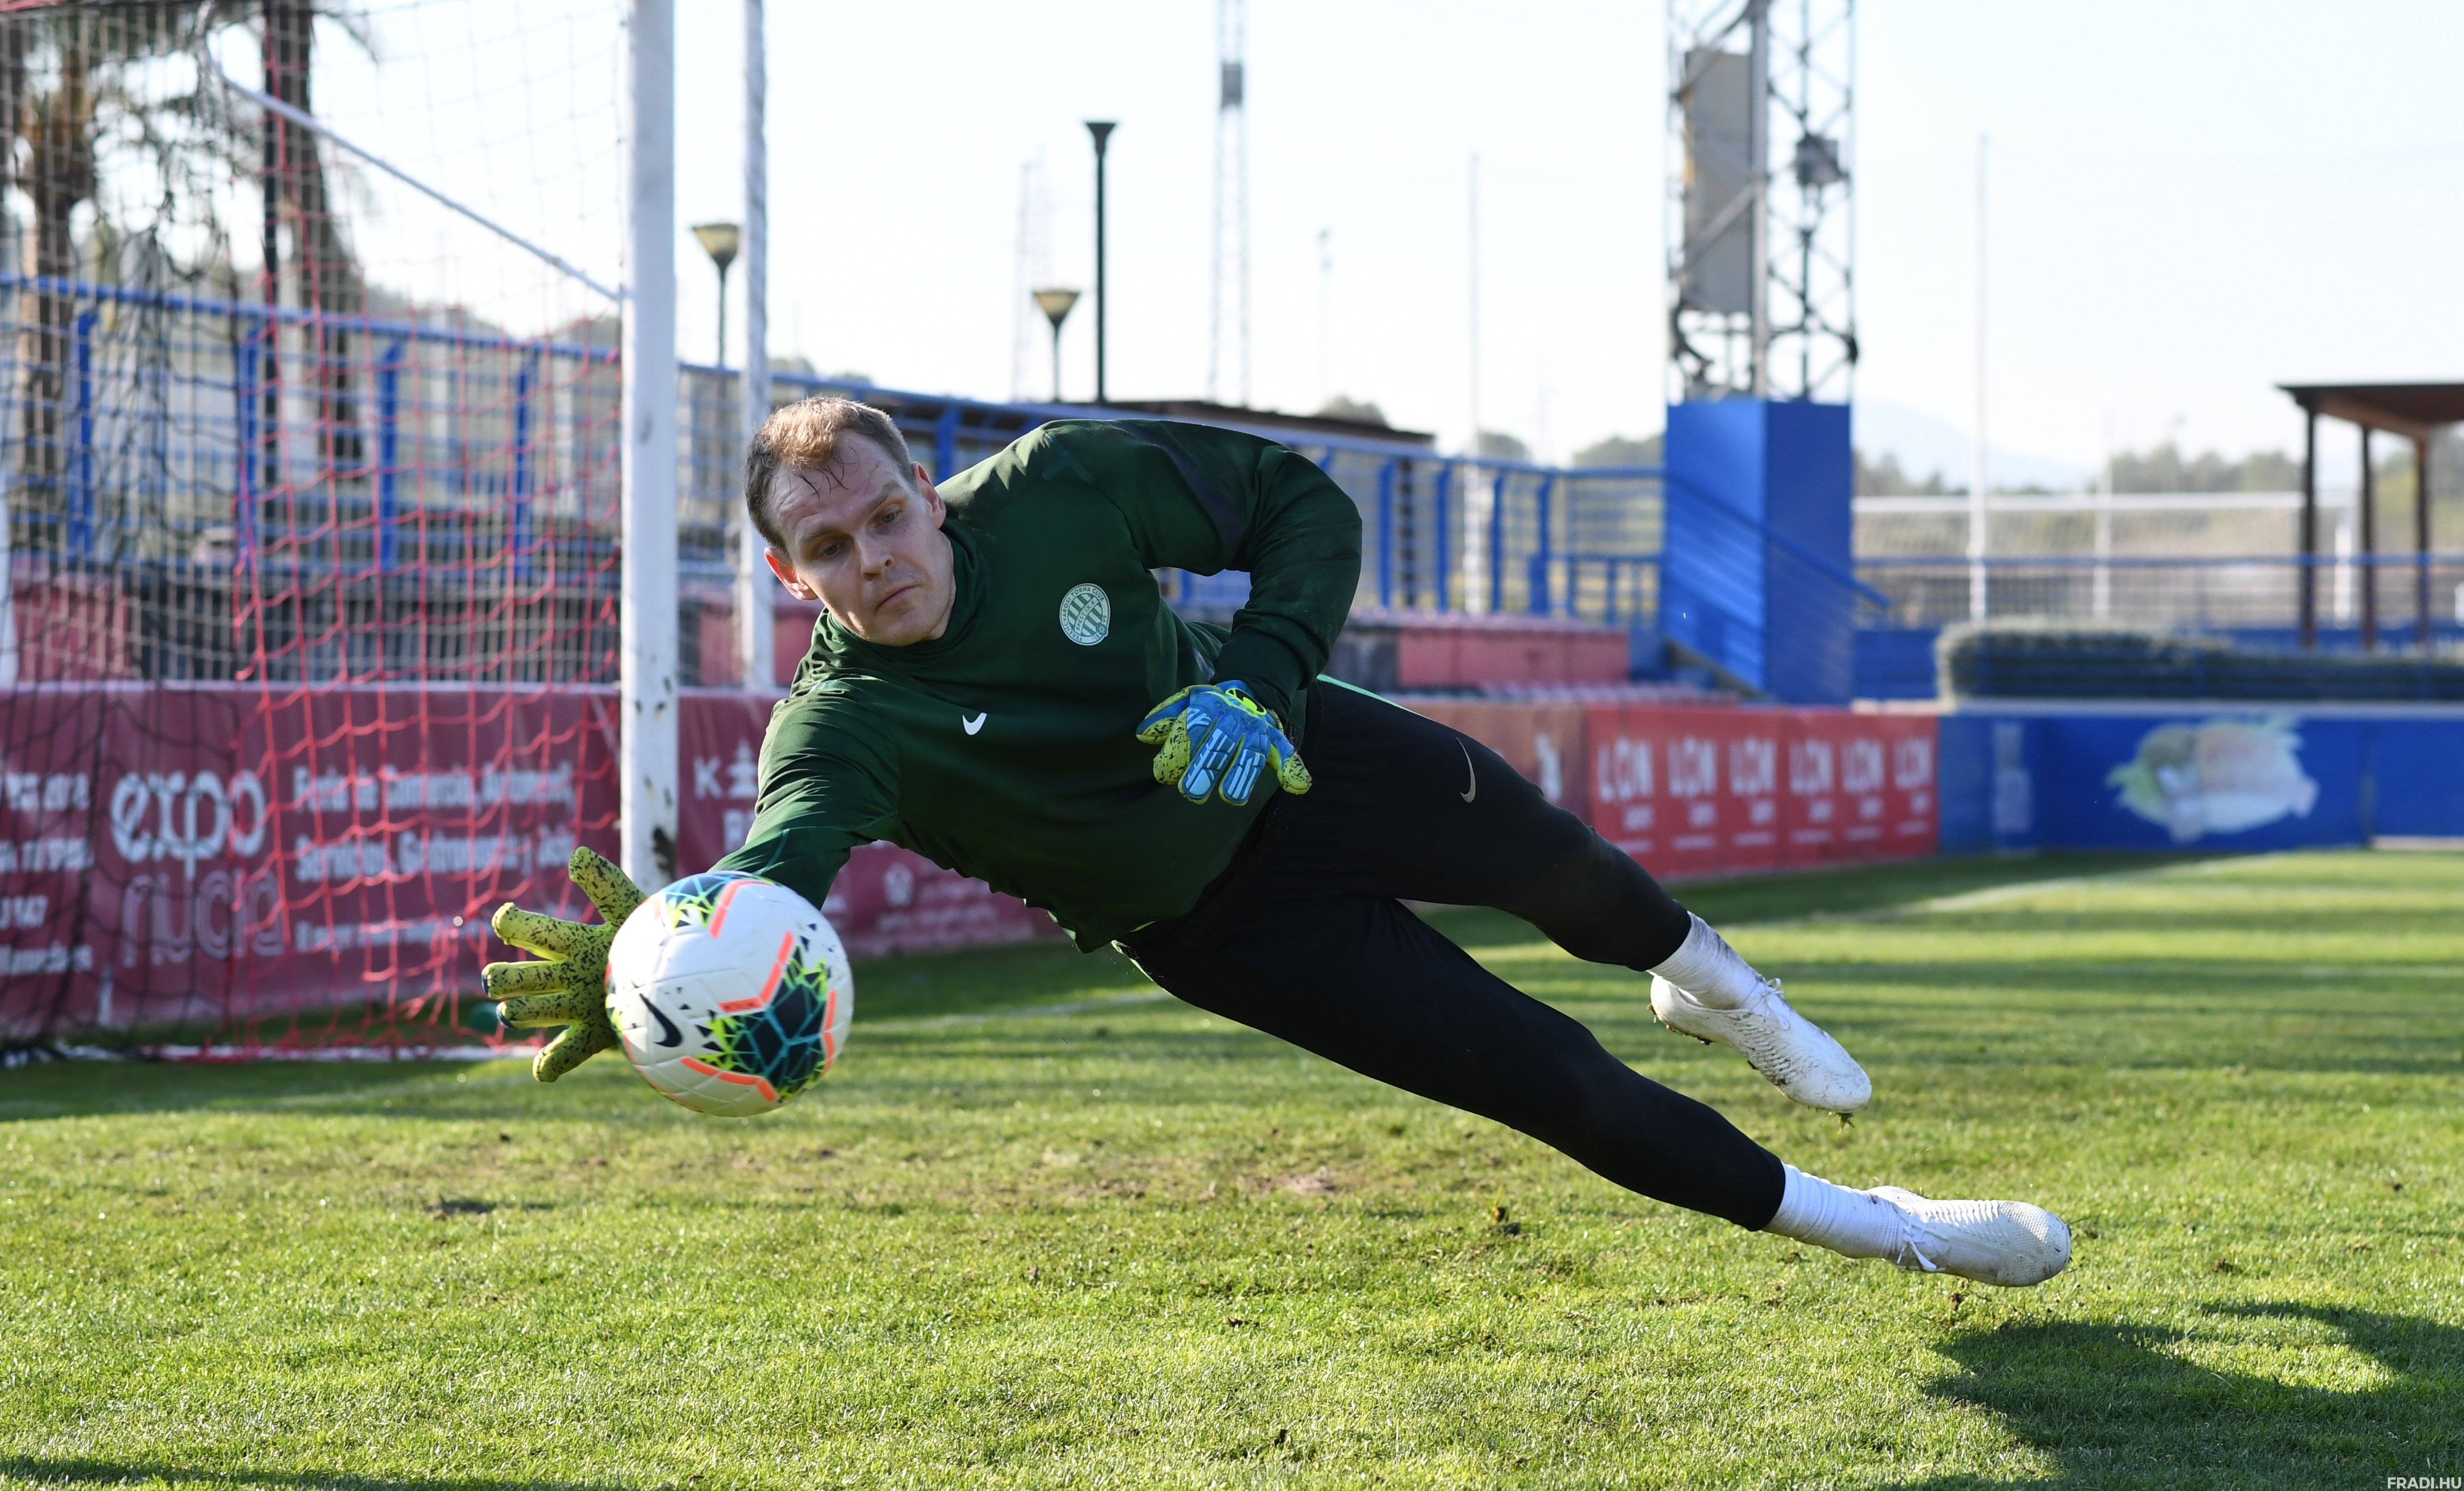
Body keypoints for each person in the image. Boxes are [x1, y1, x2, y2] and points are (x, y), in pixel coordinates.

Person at [486, 398, 2070, 1288]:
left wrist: (1257, 673)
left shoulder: (1060, 487)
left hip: (1298, 753)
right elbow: (784, 858)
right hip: (1219, 927)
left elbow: (1302, 507)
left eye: (887, 515)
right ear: (790, 581)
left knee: (1572, 875)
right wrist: (662, 969)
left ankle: (1720, 987)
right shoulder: (840, 729)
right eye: (828, 548)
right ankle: (1893, 1229)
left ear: (930, 494)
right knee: (1552, 1081)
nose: (873, 558)